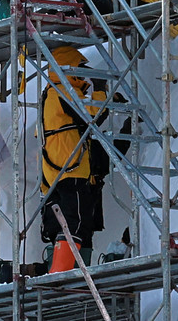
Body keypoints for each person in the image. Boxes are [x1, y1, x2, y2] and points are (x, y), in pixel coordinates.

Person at [40, 46, 134, 272]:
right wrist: (101, 92)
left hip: (63, 168)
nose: (83, 77)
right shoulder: (61, 90)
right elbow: (91, 115)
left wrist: (108, 101)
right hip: (70, 167)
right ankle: (60, 273)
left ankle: (72, 273)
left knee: (79, 224)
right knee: (76, 222)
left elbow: (90, 117)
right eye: (79, 71)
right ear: (68, 70)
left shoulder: (55, 92)